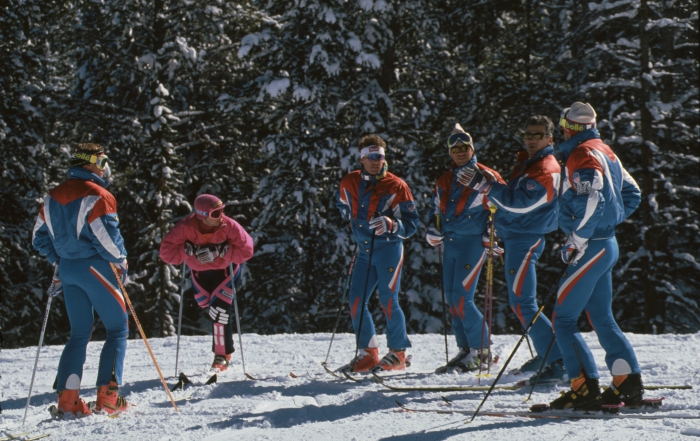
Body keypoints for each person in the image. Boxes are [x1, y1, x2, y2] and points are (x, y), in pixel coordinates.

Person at [548, 102, 643, 410]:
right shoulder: (603, 149)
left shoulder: (582, 154)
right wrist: (608, 222)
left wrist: (579, 236)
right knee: (600, 316)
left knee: (562, 319)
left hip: (591, 246)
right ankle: (626, 383)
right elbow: (633, 191)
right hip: (606, 243)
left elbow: (593, 197)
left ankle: (582, 388)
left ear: (567, 126)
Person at [32, 143, 130, 415]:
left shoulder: (52, 196)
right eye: (103, 161)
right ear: (91, 164)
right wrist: (121, 261)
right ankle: (109, 397)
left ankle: (68, 401)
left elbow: (38, 238)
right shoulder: (98, 194)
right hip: (96, 268)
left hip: (68, 270)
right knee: (117, 329)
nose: (105, 167)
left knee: (79, 333)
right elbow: (108, 240)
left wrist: (60, 258)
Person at [476, 116, 566, 385]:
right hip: (517, 236)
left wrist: (487, 187)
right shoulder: (531, 163)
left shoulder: (545, 167)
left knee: (523, 303)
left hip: (526, 238)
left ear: (550, 138)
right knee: (522, 302)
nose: (531, 139)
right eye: (527, 134)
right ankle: (547, 354)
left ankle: (557, 360)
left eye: (537, 135)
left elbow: (520, 205)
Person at [335, 134, 419, 373]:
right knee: (356, 301)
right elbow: (340, 202)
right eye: (371, 157)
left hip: (389, 249)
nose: (376, 161)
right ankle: (368, 353)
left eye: (380, 156)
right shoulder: (349, 180)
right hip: (363, 251)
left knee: (388, 299)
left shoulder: (396, 185)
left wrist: (392, 225)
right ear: (361, 159)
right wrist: (350, 217)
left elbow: (411, 224)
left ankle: (398, 353)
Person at [426, 124, 505, 374]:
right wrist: (432, 229)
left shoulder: (487, 175)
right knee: (452, 298)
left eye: (465, 147)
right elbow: (435, 211)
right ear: (449, 152)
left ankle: (482, 351)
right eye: (455, 148)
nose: (460, 152)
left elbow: (504, 208)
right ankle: (466, 349)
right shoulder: (444, 179)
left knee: (462, 297)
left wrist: (493, 234)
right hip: (451, 243)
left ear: (472, 148)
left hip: (473, 243)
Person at [159, 194, 254, 372]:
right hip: (200, 274)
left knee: (219, 311)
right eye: (216, 213)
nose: (222, 216)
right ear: (202, 215)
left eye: (222, 211)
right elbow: (166, 253)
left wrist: (221, 250)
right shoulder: (186, 227)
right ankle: (223, 351)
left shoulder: (228, 225)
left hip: (226, 272)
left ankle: (222, 355)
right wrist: (188, 249)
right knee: (205, 304)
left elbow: (247, 250)